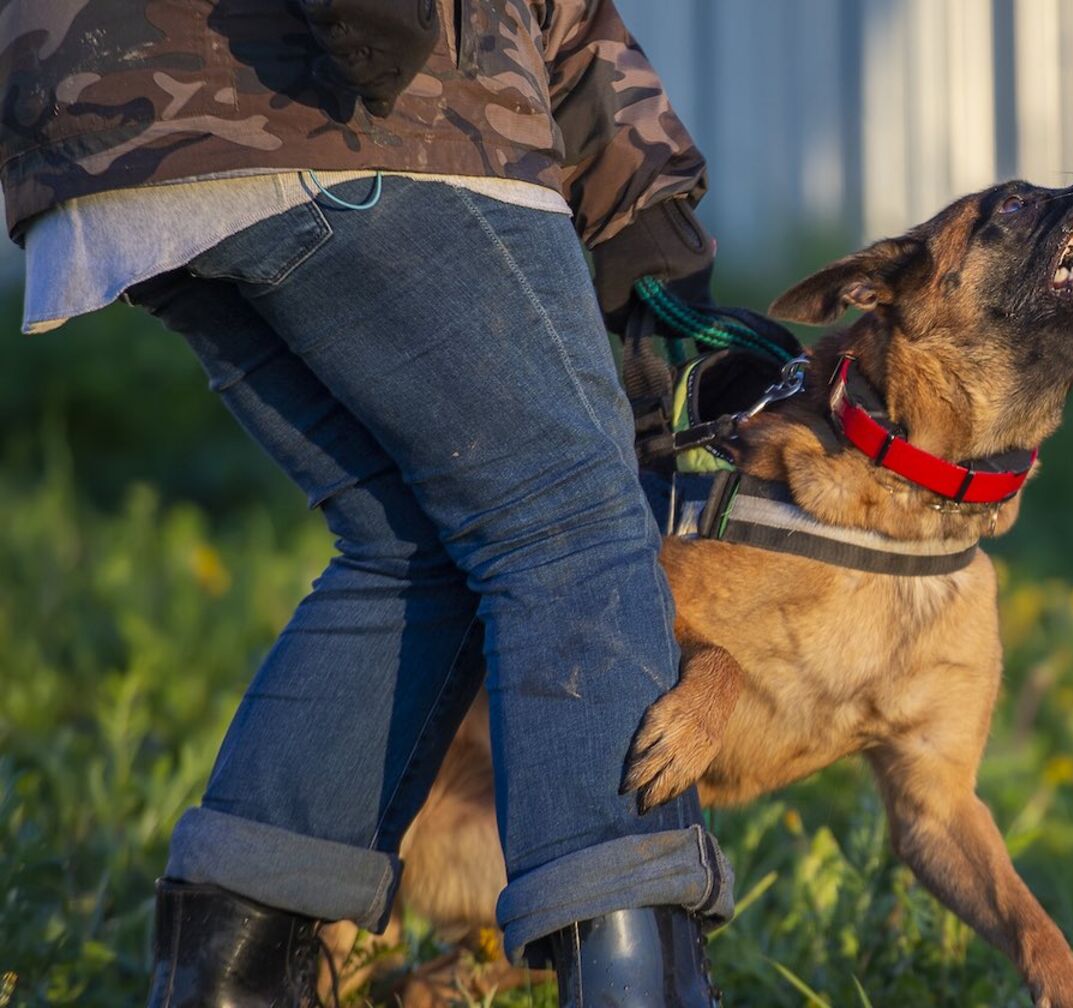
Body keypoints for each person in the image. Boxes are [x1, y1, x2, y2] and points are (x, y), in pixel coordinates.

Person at [0, 2, 783, 1004]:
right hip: (340, 105)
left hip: (108, 112)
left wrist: (653, 238)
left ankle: (230, 982)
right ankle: (640, 986)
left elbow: (567, 22)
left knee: (415, 545)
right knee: (574, 525)